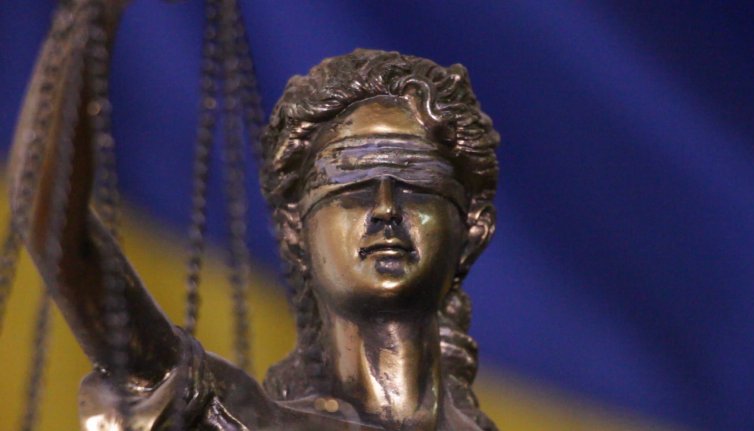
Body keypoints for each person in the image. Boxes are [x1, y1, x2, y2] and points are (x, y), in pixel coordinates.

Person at [10, 1, 500, 430]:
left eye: (416, 182)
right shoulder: (240, 418)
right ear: (295, 229)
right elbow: (57, 230)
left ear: (474, 228)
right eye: (350, 186)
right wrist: (90, 20)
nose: (386, 208)